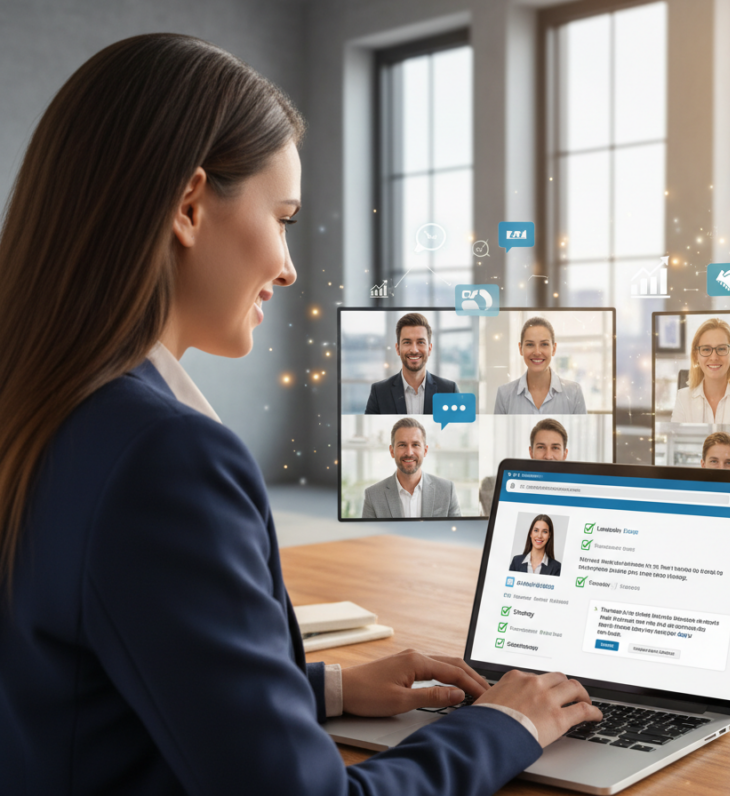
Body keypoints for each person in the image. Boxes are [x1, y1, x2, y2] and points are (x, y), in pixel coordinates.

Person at [0, 35, 600, 796]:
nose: (287, 264)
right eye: (282, 218)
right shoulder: (163, 459)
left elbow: (87, 676)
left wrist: (328, 688)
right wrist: (505, 725)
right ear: (188, 205)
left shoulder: (44, 411)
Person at [362, 418, 461, 518]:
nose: (409, 452)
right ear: (392, 451)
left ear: (425, 450)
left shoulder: (447, 490)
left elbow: (458, 532)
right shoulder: (373, 495)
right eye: (402, 445)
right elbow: (369, 533)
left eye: (415, 445)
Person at [671, 318, 730, 424]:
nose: (714, 357)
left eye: (721, 349)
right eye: (706, 349)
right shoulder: (683, 398)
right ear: (696, 355)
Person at [364, 312, 457, 414]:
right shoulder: (379, 392)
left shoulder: (449, 391)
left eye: (420, 342)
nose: (414, 350)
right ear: (398, 348)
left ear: (429, 349)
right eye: (407, 342)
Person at [493, 317, 586, 414]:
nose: (537, 352)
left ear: (553, 349)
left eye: (544, 344)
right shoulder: (504, 395)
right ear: (520, 349)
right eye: (530, 344)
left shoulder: (574, 393)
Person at [479, 419, 570, 516]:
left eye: (555, 448)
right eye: (541, 447)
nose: (548, 456)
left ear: (565, 454)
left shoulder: (574, 489)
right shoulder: (503, 488)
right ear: (531, 452)